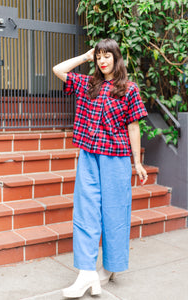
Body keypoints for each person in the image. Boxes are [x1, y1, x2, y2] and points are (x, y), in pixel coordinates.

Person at [53, 38, 148, 298]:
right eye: (99, 57)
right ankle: (86, 272)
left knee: (115, 213)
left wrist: (136, 162)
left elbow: (133, 126)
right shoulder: (89, 84)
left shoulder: (129, 89)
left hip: (116, 158)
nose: (102, 61)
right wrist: (84, 56)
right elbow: (58, 70)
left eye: (107, 56)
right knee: (86, 212)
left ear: (117, 59)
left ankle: (111, 267)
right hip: (89, 156)